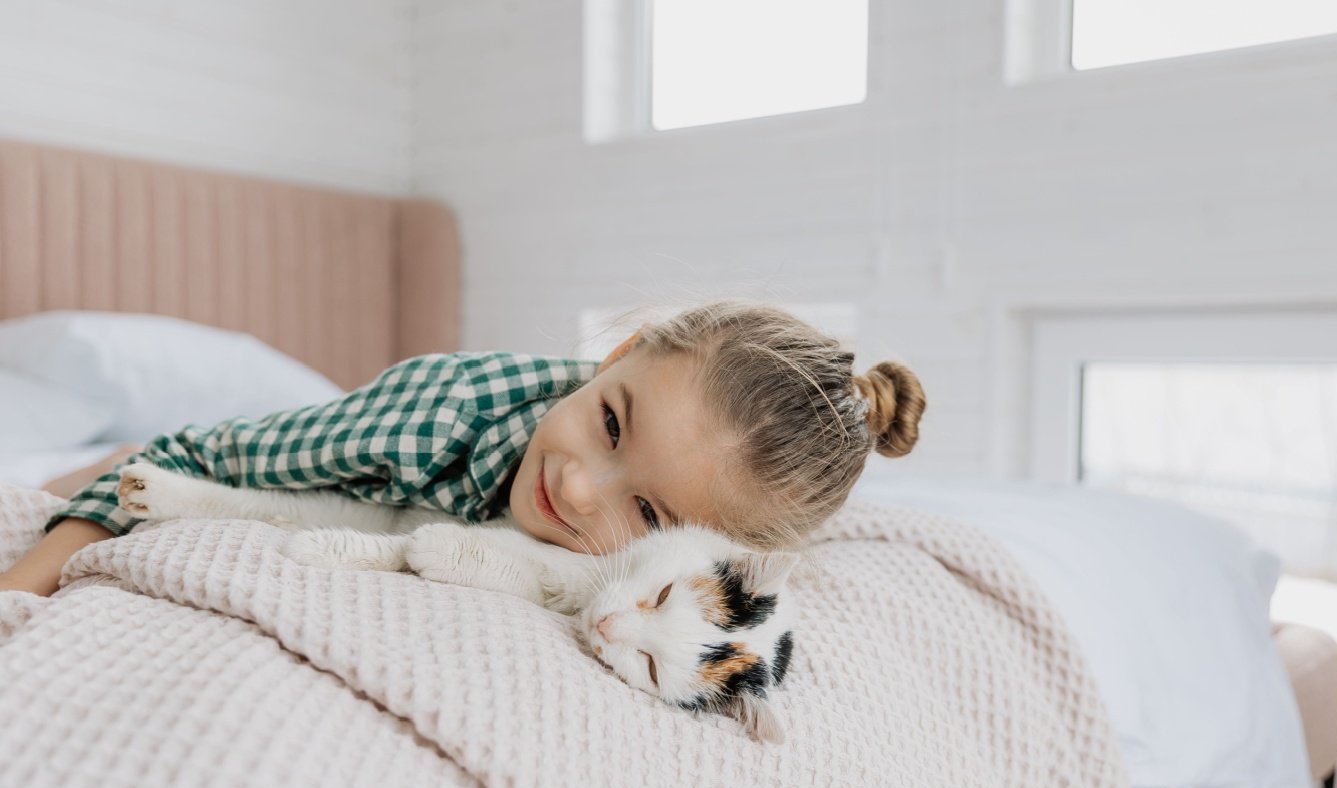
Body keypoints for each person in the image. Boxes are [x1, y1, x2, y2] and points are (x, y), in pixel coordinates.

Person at [0, 301, 926, 596]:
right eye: (608, 423)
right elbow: (194, 458)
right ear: (613, 356)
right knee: (89, 468)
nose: (576, 483)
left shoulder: (729, 548)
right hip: (241, 445)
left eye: (648, 512)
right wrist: (29, 577)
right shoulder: (435, 415)